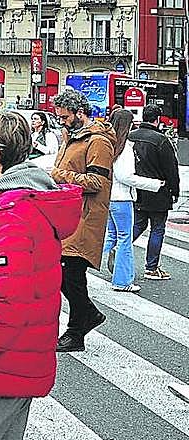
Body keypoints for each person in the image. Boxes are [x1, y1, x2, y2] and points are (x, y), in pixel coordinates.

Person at [0, 110, 82, 440]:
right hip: (16, 360)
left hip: (1, 365)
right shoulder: (23, 200)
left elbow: (9, 305)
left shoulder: (13, 213)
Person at [50, 88, 115, 352]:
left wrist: (59, 175)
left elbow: (97, 182)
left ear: (80, 113)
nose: (61, 121)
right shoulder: (72, 136)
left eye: (65, 117)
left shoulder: (98, 141)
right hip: (69, 214)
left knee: (70, 274)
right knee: (70, 276)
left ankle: (83, 321)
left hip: (85, 216)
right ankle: (79, 329)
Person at [101, 109, 162, 293]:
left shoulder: (106, 143)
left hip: (108, 197)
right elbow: (126, 176)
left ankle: (77, 265)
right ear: (126, 126)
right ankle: (122, 281)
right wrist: (154, 184)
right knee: (124, 239)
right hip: (122, 199)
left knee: (110, 236)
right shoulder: (125, 147)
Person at [129, 104, 180, 280]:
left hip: (136, 189)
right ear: (157, 120)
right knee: (157, 228)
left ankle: (121, 246)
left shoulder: (130, 137)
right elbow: (171, 169)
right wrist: (175, 190)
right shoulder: (161, 140)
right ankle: (151, 268)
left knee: (138, 223)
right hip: (159, 190)